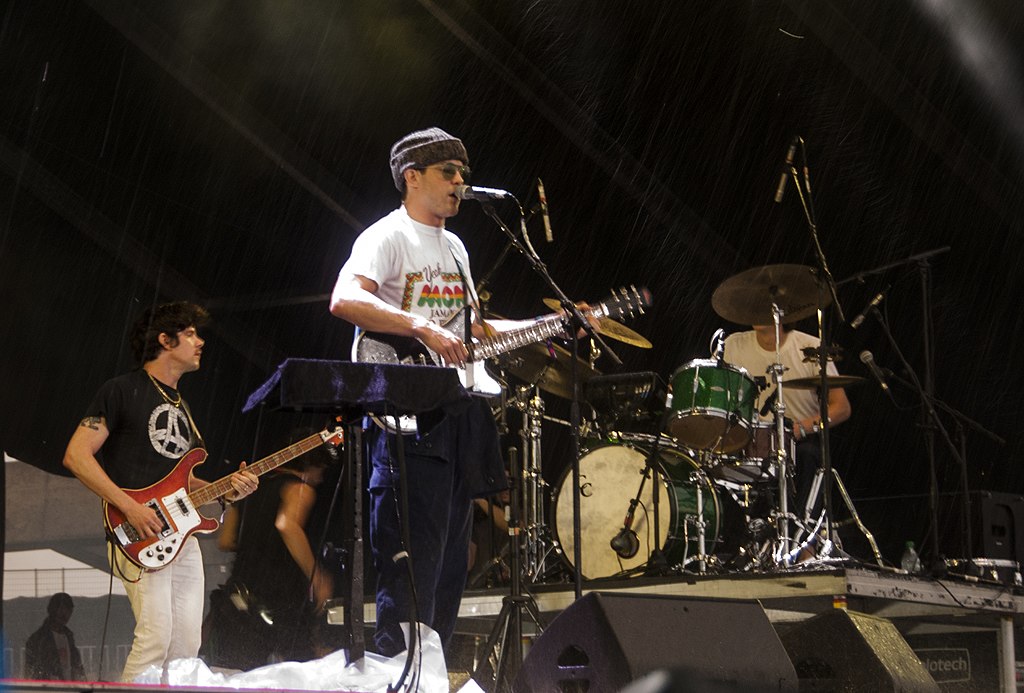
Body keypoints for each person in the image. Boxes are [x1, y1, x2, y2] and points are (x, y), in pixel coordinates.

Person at [330, 127, 538, 656]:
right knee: (411, 568)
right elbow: (345, 299)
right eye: (449, 172)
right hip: (406, 418)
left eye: (464, 173)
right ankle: (396, 671)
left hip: (454, 417)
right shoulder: (387, 236)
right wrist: (420, 327)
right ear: (412, 176)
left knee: (448, 567)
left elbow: (473, 331)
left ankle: (429, 671)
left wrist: (555, 322)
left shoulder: (456, 247)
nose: (460, 182)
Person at [62, 301, 259, 682]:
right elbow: (76, 455)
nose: (200, 342)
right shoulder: (121, 390)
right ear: (165, 340)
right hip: (138, 529)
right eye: (190, 334)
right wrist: (130, 508)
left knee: (186, 645)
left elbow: (183, 484)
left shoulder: (182, 406)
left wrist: (228, 490)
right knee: (155, 638)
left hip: (179, 534)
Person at [202, 440, 335, 669]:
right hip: (280, 594)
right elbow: (286, 525)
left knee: (238, 671)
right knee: (300, 666)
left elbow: (225, 541)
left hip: (241, 592)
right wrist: (316, 576)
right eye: (321, 471)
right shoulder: (299, 488)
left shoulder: (250, 490)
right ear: (314, 465)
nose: (320, 479)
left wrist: (256, 539)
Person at [724, 324, 852, 534]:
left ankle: (802, 542)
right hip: (750, 439)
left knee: (808, 455)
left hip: (798, 438)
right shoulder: (732, 345)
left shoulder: (810, 346)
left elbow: (841, 407)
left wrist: (801, 428)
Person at [24, 592, 86, 681]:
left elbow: (78, 669)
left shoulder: (68, 637)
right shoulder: (37, 640)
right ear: (52, 610)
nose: (64, 615)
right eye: (61, 609)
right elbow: (32, 673)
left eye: (68, 611)